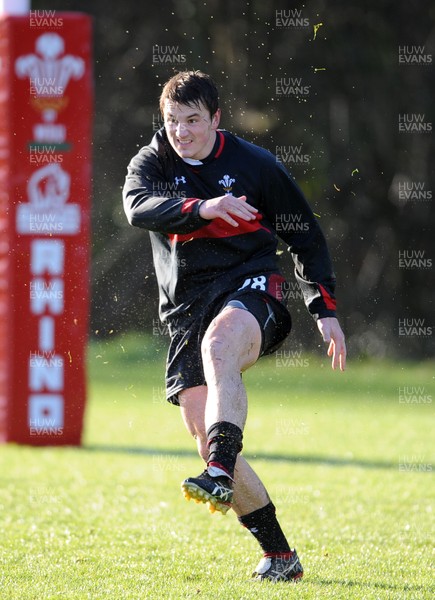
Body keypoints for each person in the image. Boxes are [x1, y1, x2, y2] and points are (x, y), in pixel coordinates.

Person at [123, 70, 346, 583]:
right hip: (185, 310)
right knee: (205, 436)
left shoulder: (254, 164)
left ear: (216, 119)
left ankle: (220, 468)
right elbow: (137, 208)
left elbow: (305, 236)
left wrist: (324, 308)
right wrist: (205, 208)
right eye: (173, 121)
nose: (182, 132)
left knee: (221, 344)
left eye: (193, 120)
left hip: (251, 287)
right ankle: (280, 555)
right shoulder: (153, 161)